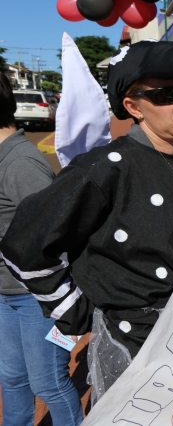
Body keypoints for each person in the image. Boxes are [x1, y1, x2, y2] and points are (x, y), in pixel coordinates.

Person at [0, 41, 173, 405]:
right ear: (133, 106)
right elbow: (26, 243)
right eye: (166, 94)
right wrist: (79, 312)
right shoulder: (104, 167)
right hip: (130, 347)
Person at [0, 73, 83, 425]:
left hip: (38, 299)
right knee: (12, 378)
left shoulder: (20, 163)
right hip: (7, 294)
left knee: (48, 383)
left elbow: (59, 231)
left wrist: (64, 308)